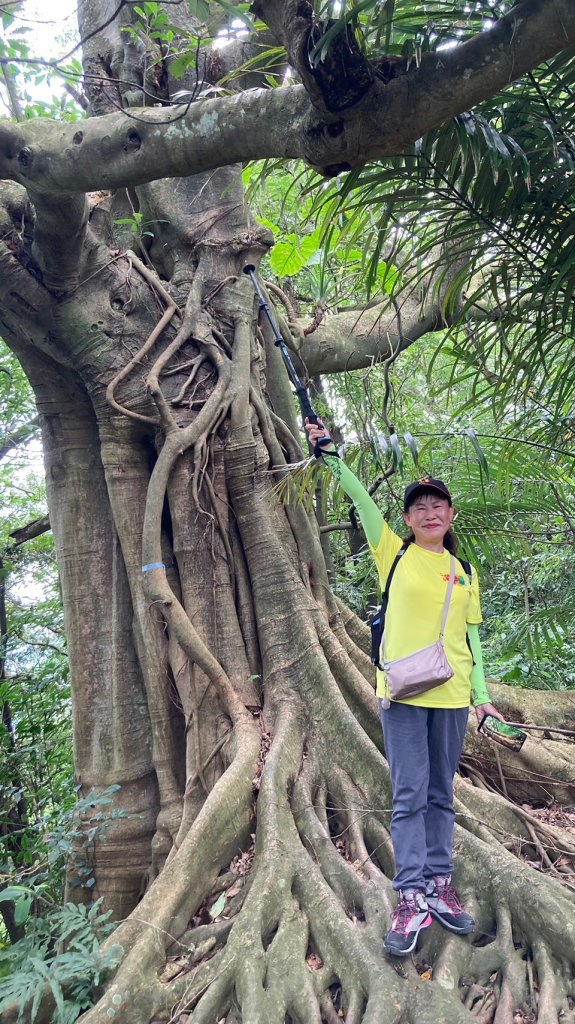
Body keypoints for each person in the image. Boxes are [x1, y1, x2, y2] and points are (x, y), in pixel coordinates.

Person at [305, 419, 504, 957]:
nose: (429, 512)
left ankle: (441, 883)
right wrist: (329, 453)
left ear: (450, 515)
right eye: (419, 507)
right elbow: (359, 497)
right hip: (403, 694)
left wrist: (481, 696)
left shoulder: (463, 571)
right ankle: (411, 893)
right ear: (409, 519)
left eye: (438, 505)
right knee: (410, 793)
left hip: (454, 696)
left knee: (442, 793)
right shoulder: (393, 552)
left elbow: (471, 640)